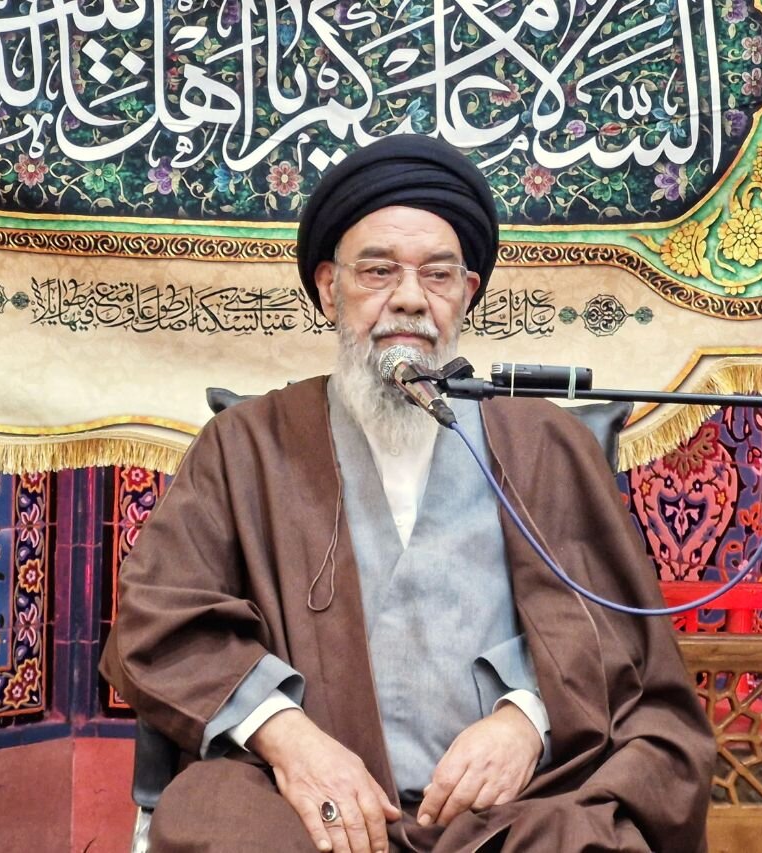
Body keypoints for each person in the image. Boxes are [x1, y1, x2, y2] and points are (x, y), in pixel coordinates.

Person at [100, 134, 715, 853]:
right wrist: (291, 741)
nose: (411, 299)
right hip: (304, 806)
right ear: (329, 288)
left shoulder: (546, 444)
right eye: (378, 271)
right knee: (218, 822)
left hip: (513, 810)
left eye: (439, 275)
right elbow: (159, 618)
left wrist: (528, 717)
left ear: (467, 293)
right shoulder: (247, 443)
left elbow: (620, 643)